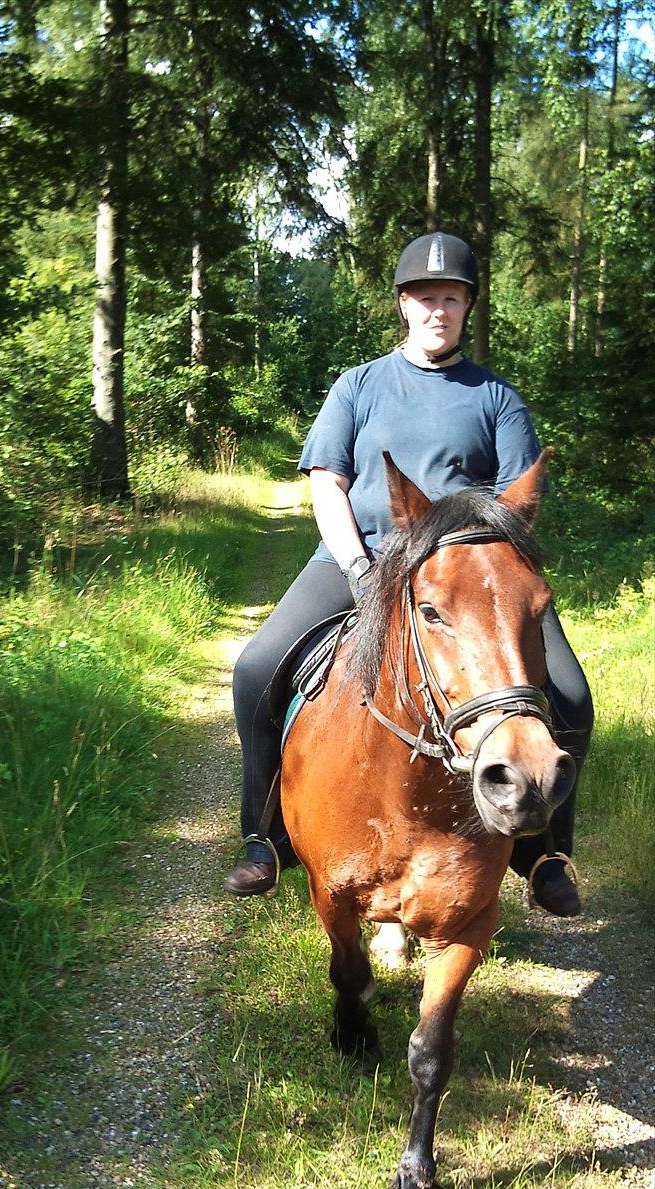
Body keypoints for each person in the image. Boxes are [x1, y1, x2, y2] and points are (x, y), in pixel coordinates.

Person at [225, 231, 593, 913]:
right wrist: (362, 569)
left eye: (450, 298)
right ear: (402, 304)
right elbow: (328, 484)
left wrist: (485, 567)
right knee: (256, 669)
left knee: (570, 696)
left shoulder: (495, 398)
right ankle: (264, 835)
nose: (437, 310)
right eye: (425, 297)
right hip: (360, 556)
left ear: (466, 308)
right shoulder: (358, 386)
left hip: (468, 574)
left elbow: (518, 505)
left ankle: (543, 854)